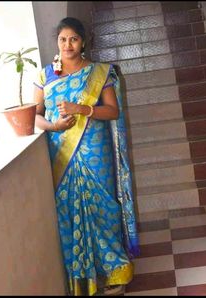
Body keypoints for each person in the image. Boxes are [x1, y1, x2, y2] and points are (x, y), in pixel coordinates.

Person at [33, 17, 140, 296]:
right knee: (68, 211)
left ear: (83, 42)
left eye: (73, 39)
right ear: (56, 42)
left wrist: (82, 109)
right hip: (61, 151)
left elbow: (112, 111)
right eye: (62, 39)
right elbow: (34, 116)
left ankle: (114, 271)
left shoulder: (99, 73)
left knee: (103, 207)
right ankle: (83, 278)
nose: (67, 45)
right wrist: (54, 126)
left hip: (95, 150)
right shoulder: (45, 75)